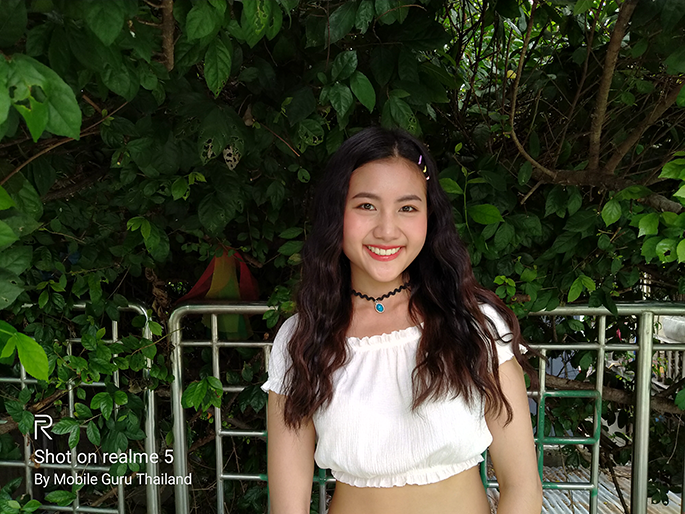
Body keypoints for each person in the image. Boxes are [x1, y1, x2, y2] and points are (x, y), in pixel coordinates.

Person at [261, 127, 542, 514]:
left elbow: (522, 487)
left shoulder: (475, 324)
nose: (387, 230)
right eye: (366, 205)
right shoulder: (302, 339)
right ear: (336, 213)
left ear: (430, 217)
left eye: (407, 208)